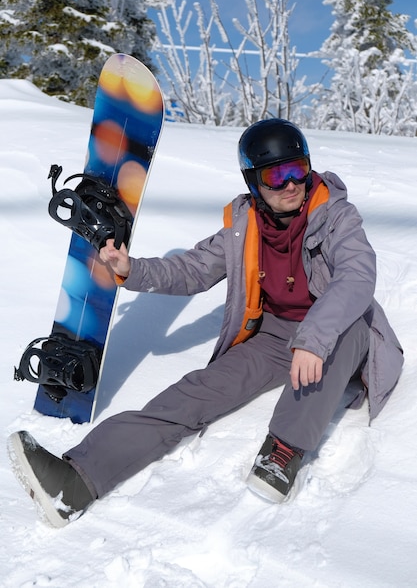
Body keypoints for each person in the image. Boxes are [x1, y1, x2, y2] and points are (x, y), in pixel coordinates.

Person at [8, 118, 404, 528]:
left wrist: (314, 338)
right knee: (190, 395)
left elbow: (356, 277)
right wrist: (132, 269)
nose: (291, 184)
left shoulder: (337, 216)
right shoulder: (245, 224)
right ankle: (75, 482)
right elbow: (193, 269)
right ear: (254, 182)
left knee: (344, 331)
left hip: (339, 331)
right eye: (276, 174)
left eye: (298, 169)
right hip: (272, 337)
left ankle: (283, 453)